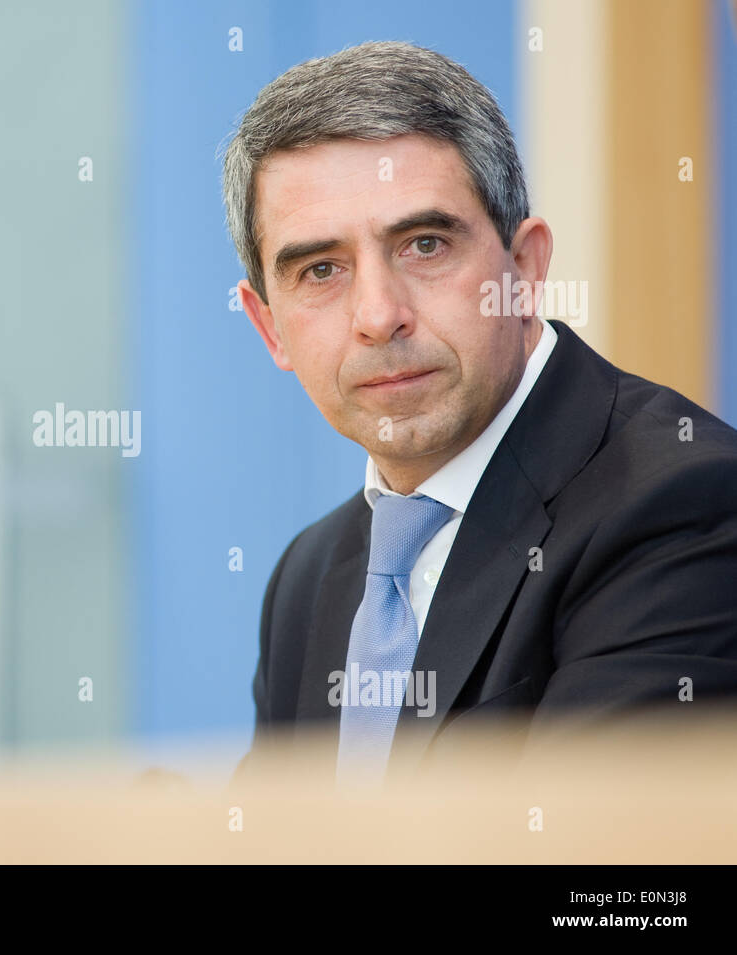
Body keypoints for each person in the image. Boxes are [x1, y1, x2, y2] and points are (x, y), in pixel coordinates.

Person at [220, 41, 737, 784]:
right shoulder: (308, 577)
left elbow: (603, 883)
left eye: (424, 244)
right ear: (270, 327)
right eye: (321, 270)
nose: (378, 315)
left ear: (524, 270)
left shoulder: (681, 507)